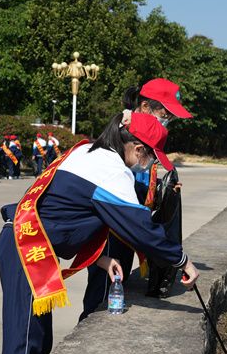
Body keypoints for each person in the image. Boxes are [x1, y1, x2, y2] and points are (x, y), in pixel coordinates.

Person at [0, 112, 200, 354]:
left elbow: (68, 211)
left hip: (29, 245)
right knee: (24, 343)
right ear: (138, 149)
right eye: (151, 157)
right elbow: (141, 229)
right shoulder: (112, 172)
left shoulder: (88, 151)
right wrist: (183, 261)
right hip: (26, 248)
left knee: (38, 341)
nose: (150, 165)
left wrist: (100, 260)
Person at [80, 78, 193, 320]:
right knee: (102, 292)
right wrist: (181, 260)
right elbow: (116, 187)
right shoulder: (125, 133)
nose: (168, 120)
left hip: (129, 224)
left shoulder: (147, 133)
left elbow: (139, 186)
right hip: (111, 225)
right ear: (145, 107)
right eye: (166, 113)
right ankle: (90, 322)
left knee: (119, 286)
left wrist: (164, 192)